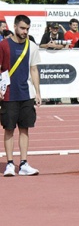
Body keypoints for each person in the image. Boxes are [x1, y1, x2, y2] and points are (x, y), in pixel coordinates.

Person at [0, 15, 41, 176]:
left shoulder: (32, 46)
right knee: (9, 129)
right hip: (9, 94)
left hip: (26, 94)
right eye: (23, 28)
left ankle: (24, 163)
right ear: (15, 26)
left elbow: (34, 69)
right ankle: (10, 164)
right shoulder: (3, 46)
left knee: (25, 129)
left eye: (27, 29)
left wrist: (37, 92)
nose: (25, 31)